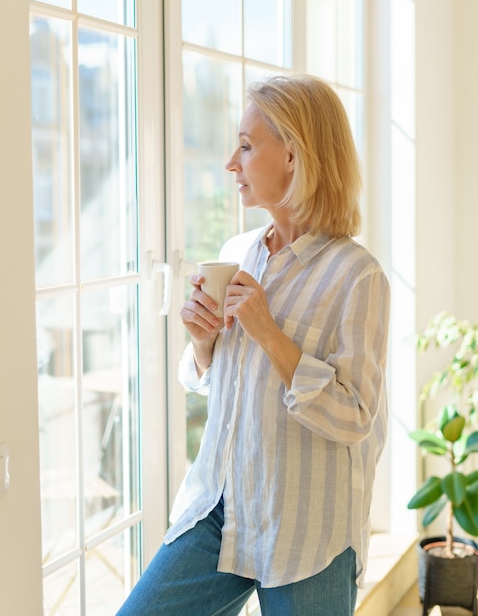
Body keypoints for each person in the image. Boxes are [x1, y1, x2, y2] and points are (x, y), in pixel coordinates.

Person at [116, 75, 390, 616]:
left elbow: (356, 415)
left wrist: (268, 333)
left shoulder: (357, 276)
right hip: (220, 509)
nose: (230, 163)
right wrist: (203, 345)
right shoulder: (238, 251)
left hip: (308, 532)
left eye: (245, 145)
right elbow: (215, 382)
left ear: (293, 153)